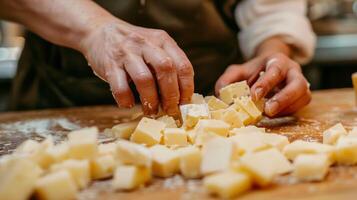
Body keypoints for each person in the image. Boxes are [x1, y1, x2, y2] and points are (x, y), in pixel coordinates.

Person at [0, 0, 315, 117]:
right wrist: (94, 30)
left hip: (211, 100)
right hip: (60, 101)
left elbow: (273, 7)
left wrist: (273, 49)